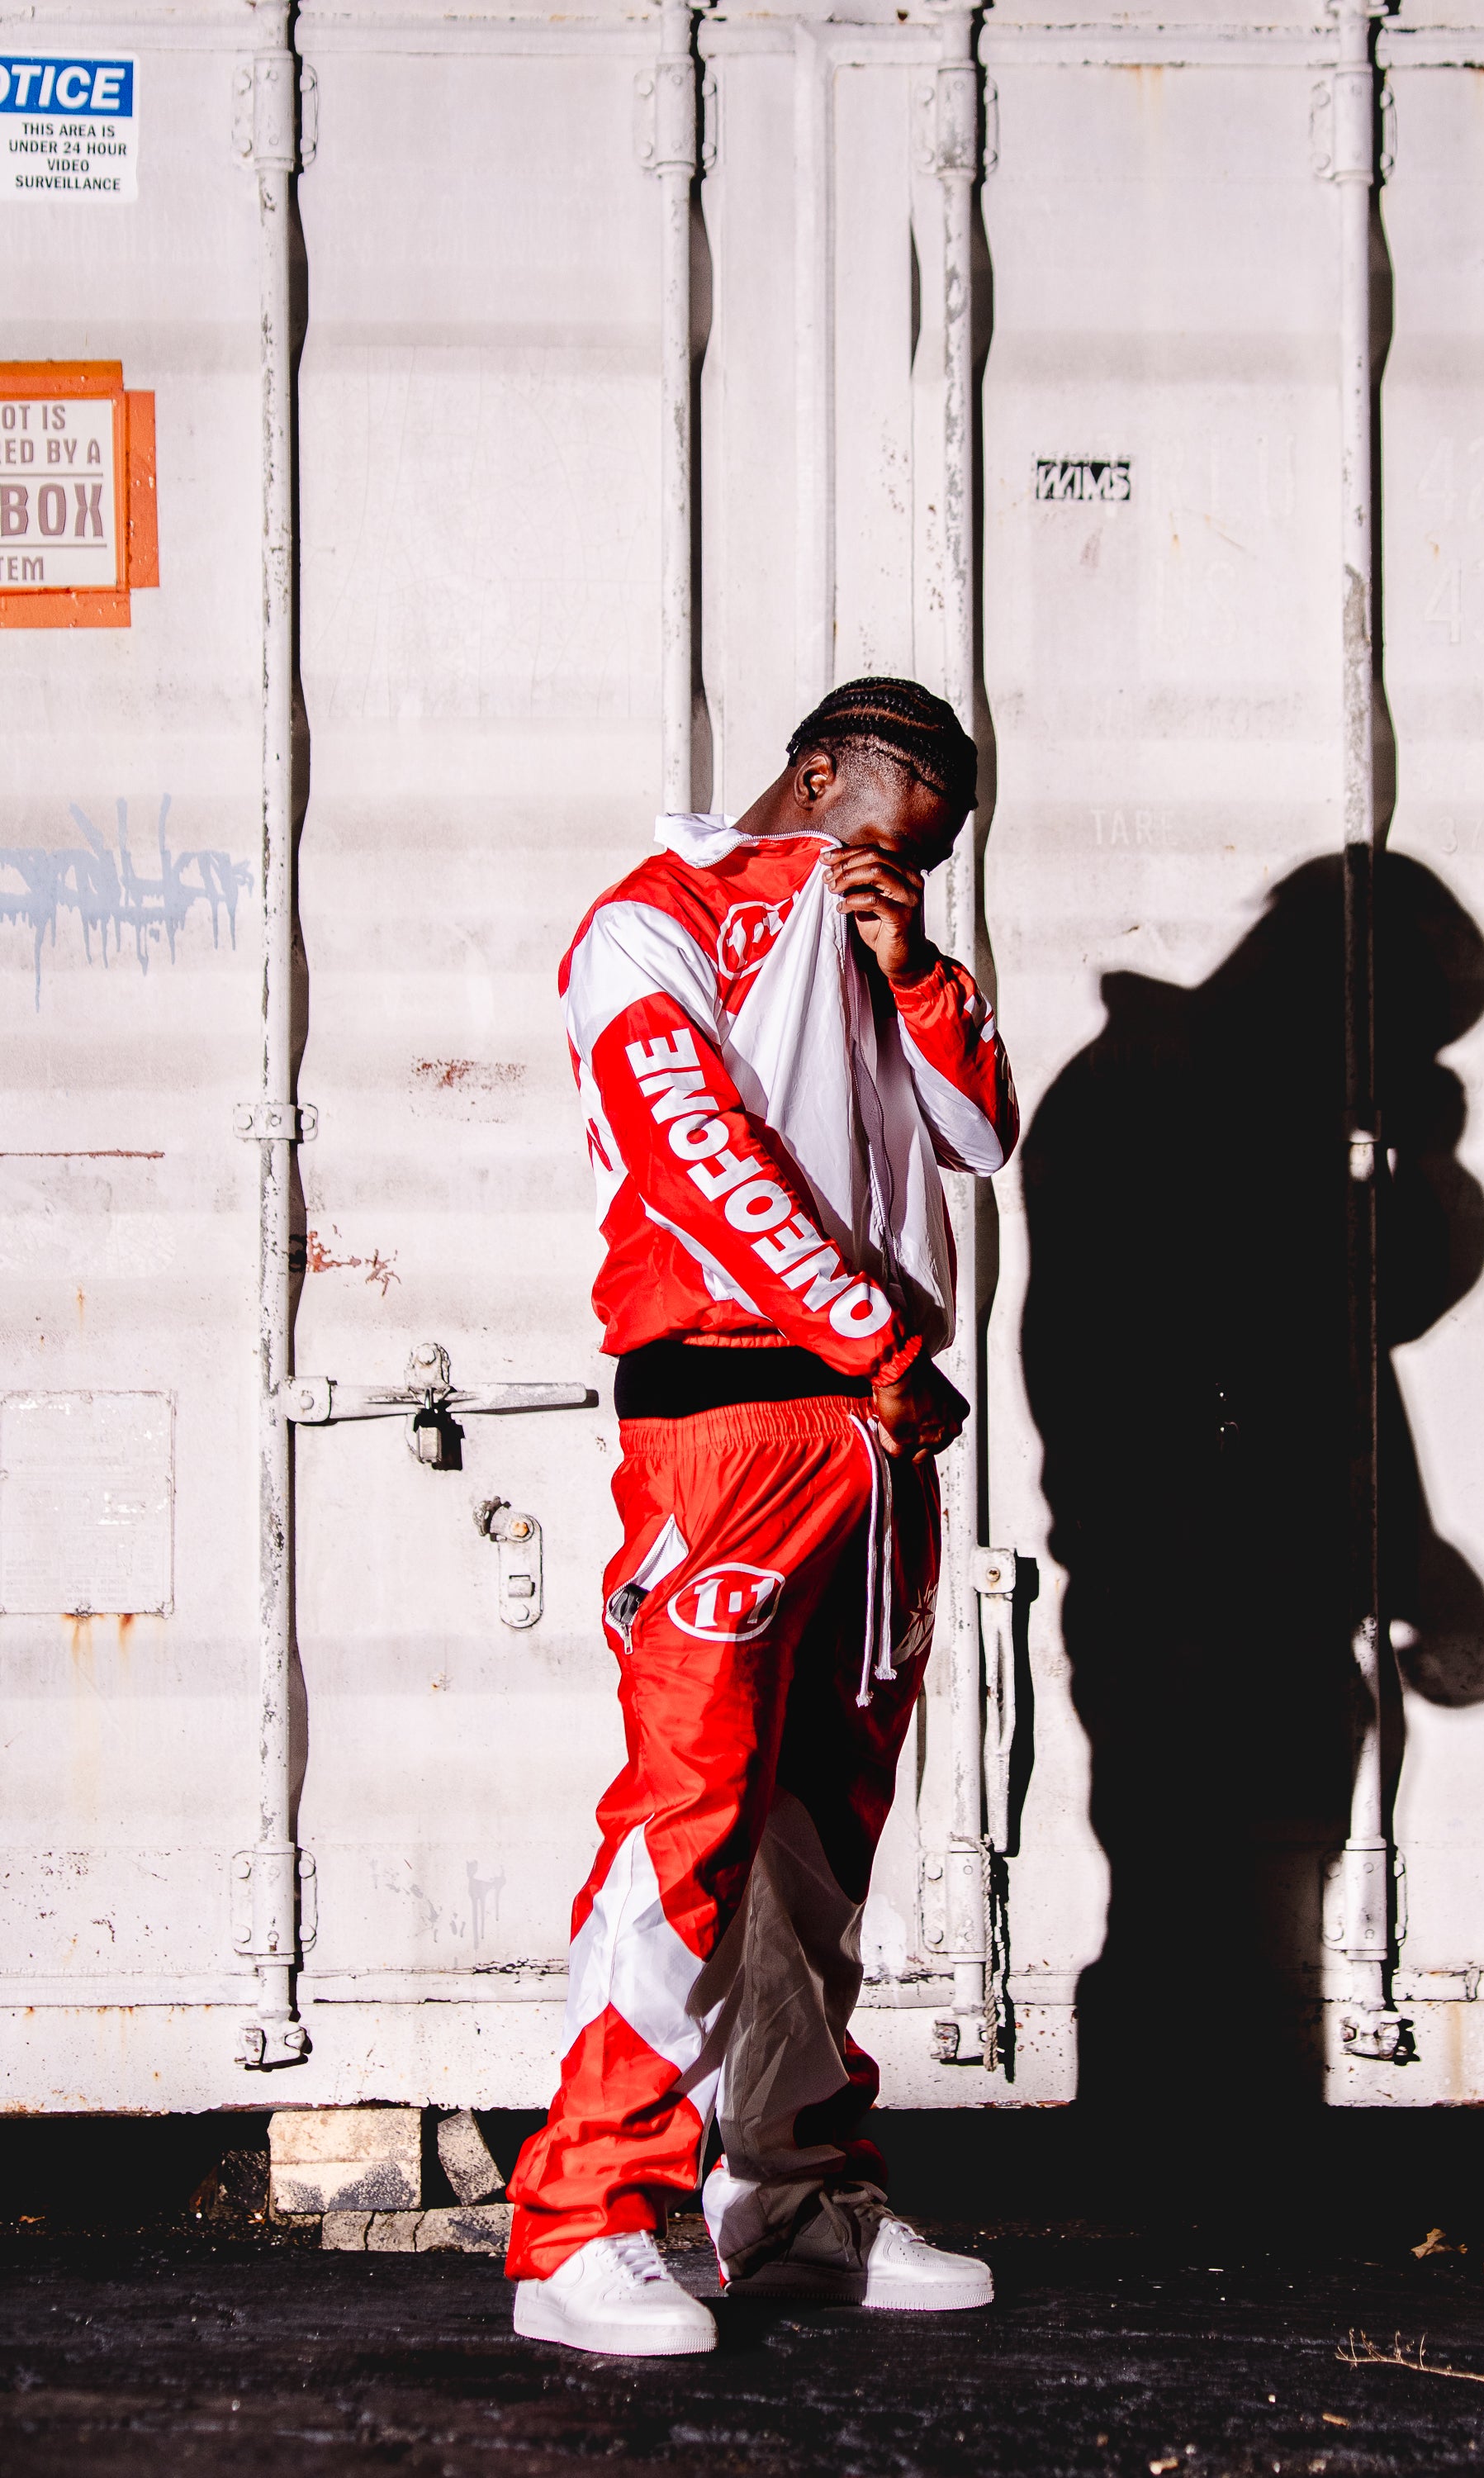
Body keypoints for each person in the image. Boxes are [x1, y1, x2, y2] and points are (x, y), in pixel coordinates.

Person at [506, 678, 1018, 2357]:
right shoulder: (646, 929)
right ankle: (586, 2219)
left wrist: (914, 965)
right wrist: (873, 1341)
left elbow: (977, 1135)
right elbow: (697, 1162)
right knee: (689, 1826)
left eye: (929, 860)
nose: (890, 871)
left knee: (814, 1850)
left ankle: (792, 2205)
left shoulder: (872, 954)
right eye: (881, 836)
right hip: (735, 1426)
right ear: (813, 776)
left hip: (879, 1444)